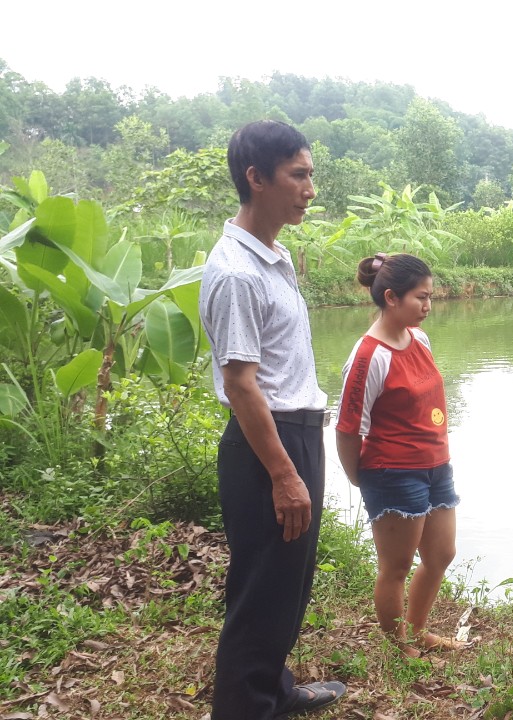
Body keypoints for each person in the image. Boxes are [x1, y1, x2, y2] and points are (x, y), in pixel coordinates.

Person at [198, 120, 345, 719]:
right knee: (265, 590)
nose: (310, 188)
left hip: (293, 434)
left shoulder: (273, 255)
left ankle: (273, 690)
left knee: (281, 585)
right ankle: (243, 709)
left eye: (311, 174)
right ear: (256, 178)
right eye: (299, 175)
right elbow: (240, 384)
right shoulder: (237, 270)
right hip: (270, 445)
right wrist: (285, 475)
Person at [335, 252, 468, 656]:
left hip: (435, 467)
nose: (428, 306)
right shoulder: (368, 355)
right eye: (420, 298)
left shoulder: (419, 339)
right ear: (391, 297)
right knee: (395, 567)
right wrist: (360, 478)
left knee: (441, 554)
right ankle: (400, 648)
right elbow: (347, 429)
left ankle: (416, 630)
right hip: (392, 472)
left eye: (430, 297)